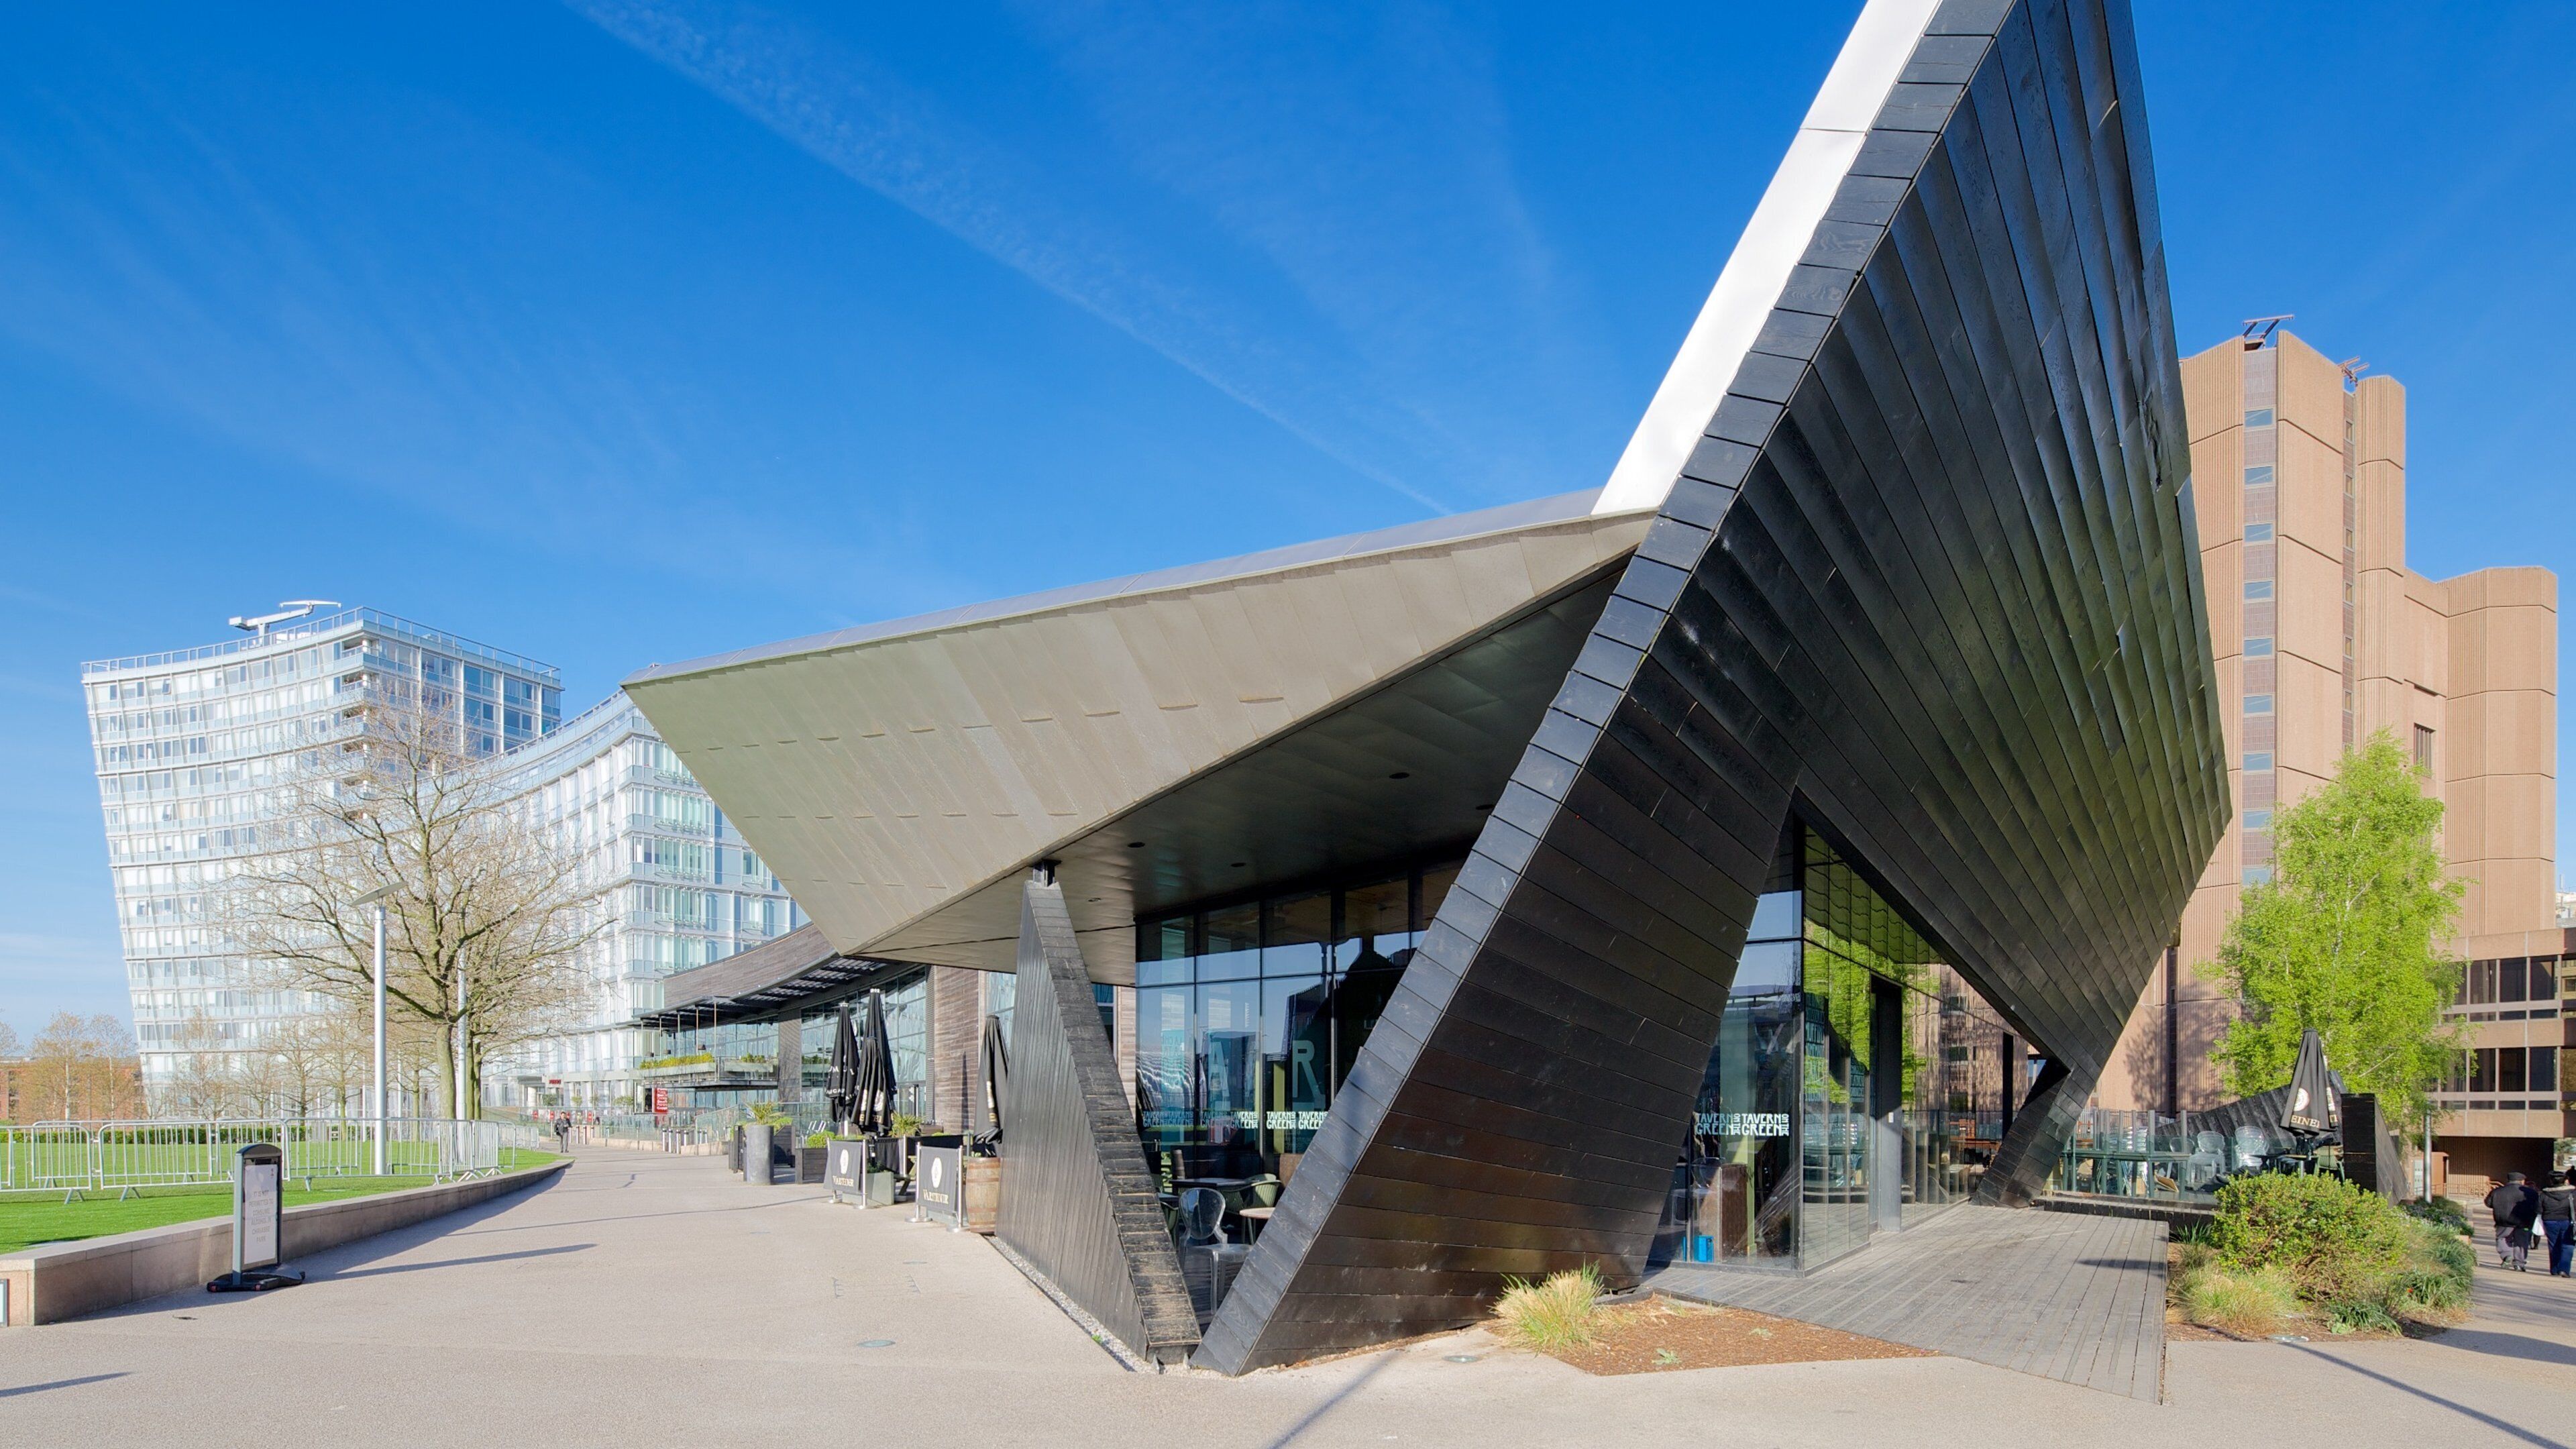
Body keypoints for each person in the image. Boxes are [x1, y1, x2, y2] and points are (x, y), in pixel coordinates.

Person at [2487, 1172, 2541, 1272]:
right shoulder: (2531, 1193)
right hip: (2523, 1221)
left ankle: (2507, 1255)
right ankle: (2519, 1263)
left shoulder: (2497, 1191)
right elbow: (2537, 1207)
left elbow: (2488, 1203)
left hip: (2503, 1220)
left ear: (2508, 1180)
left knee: (2502, 1238)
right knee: (2521, 1242)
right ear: (2522, 1181)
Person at [2540, 1169, 2576, 1279]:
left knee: (2553, 1244)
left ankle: (2555, 1269)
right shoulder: (2572, 1193)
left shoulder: (2544, 1194)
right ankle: (2564, 1269)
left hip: (2550, 1221)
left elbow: (2538, 1209)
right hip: (2568, 1221)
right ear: (2566, 1181)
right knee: (2568, 1245)